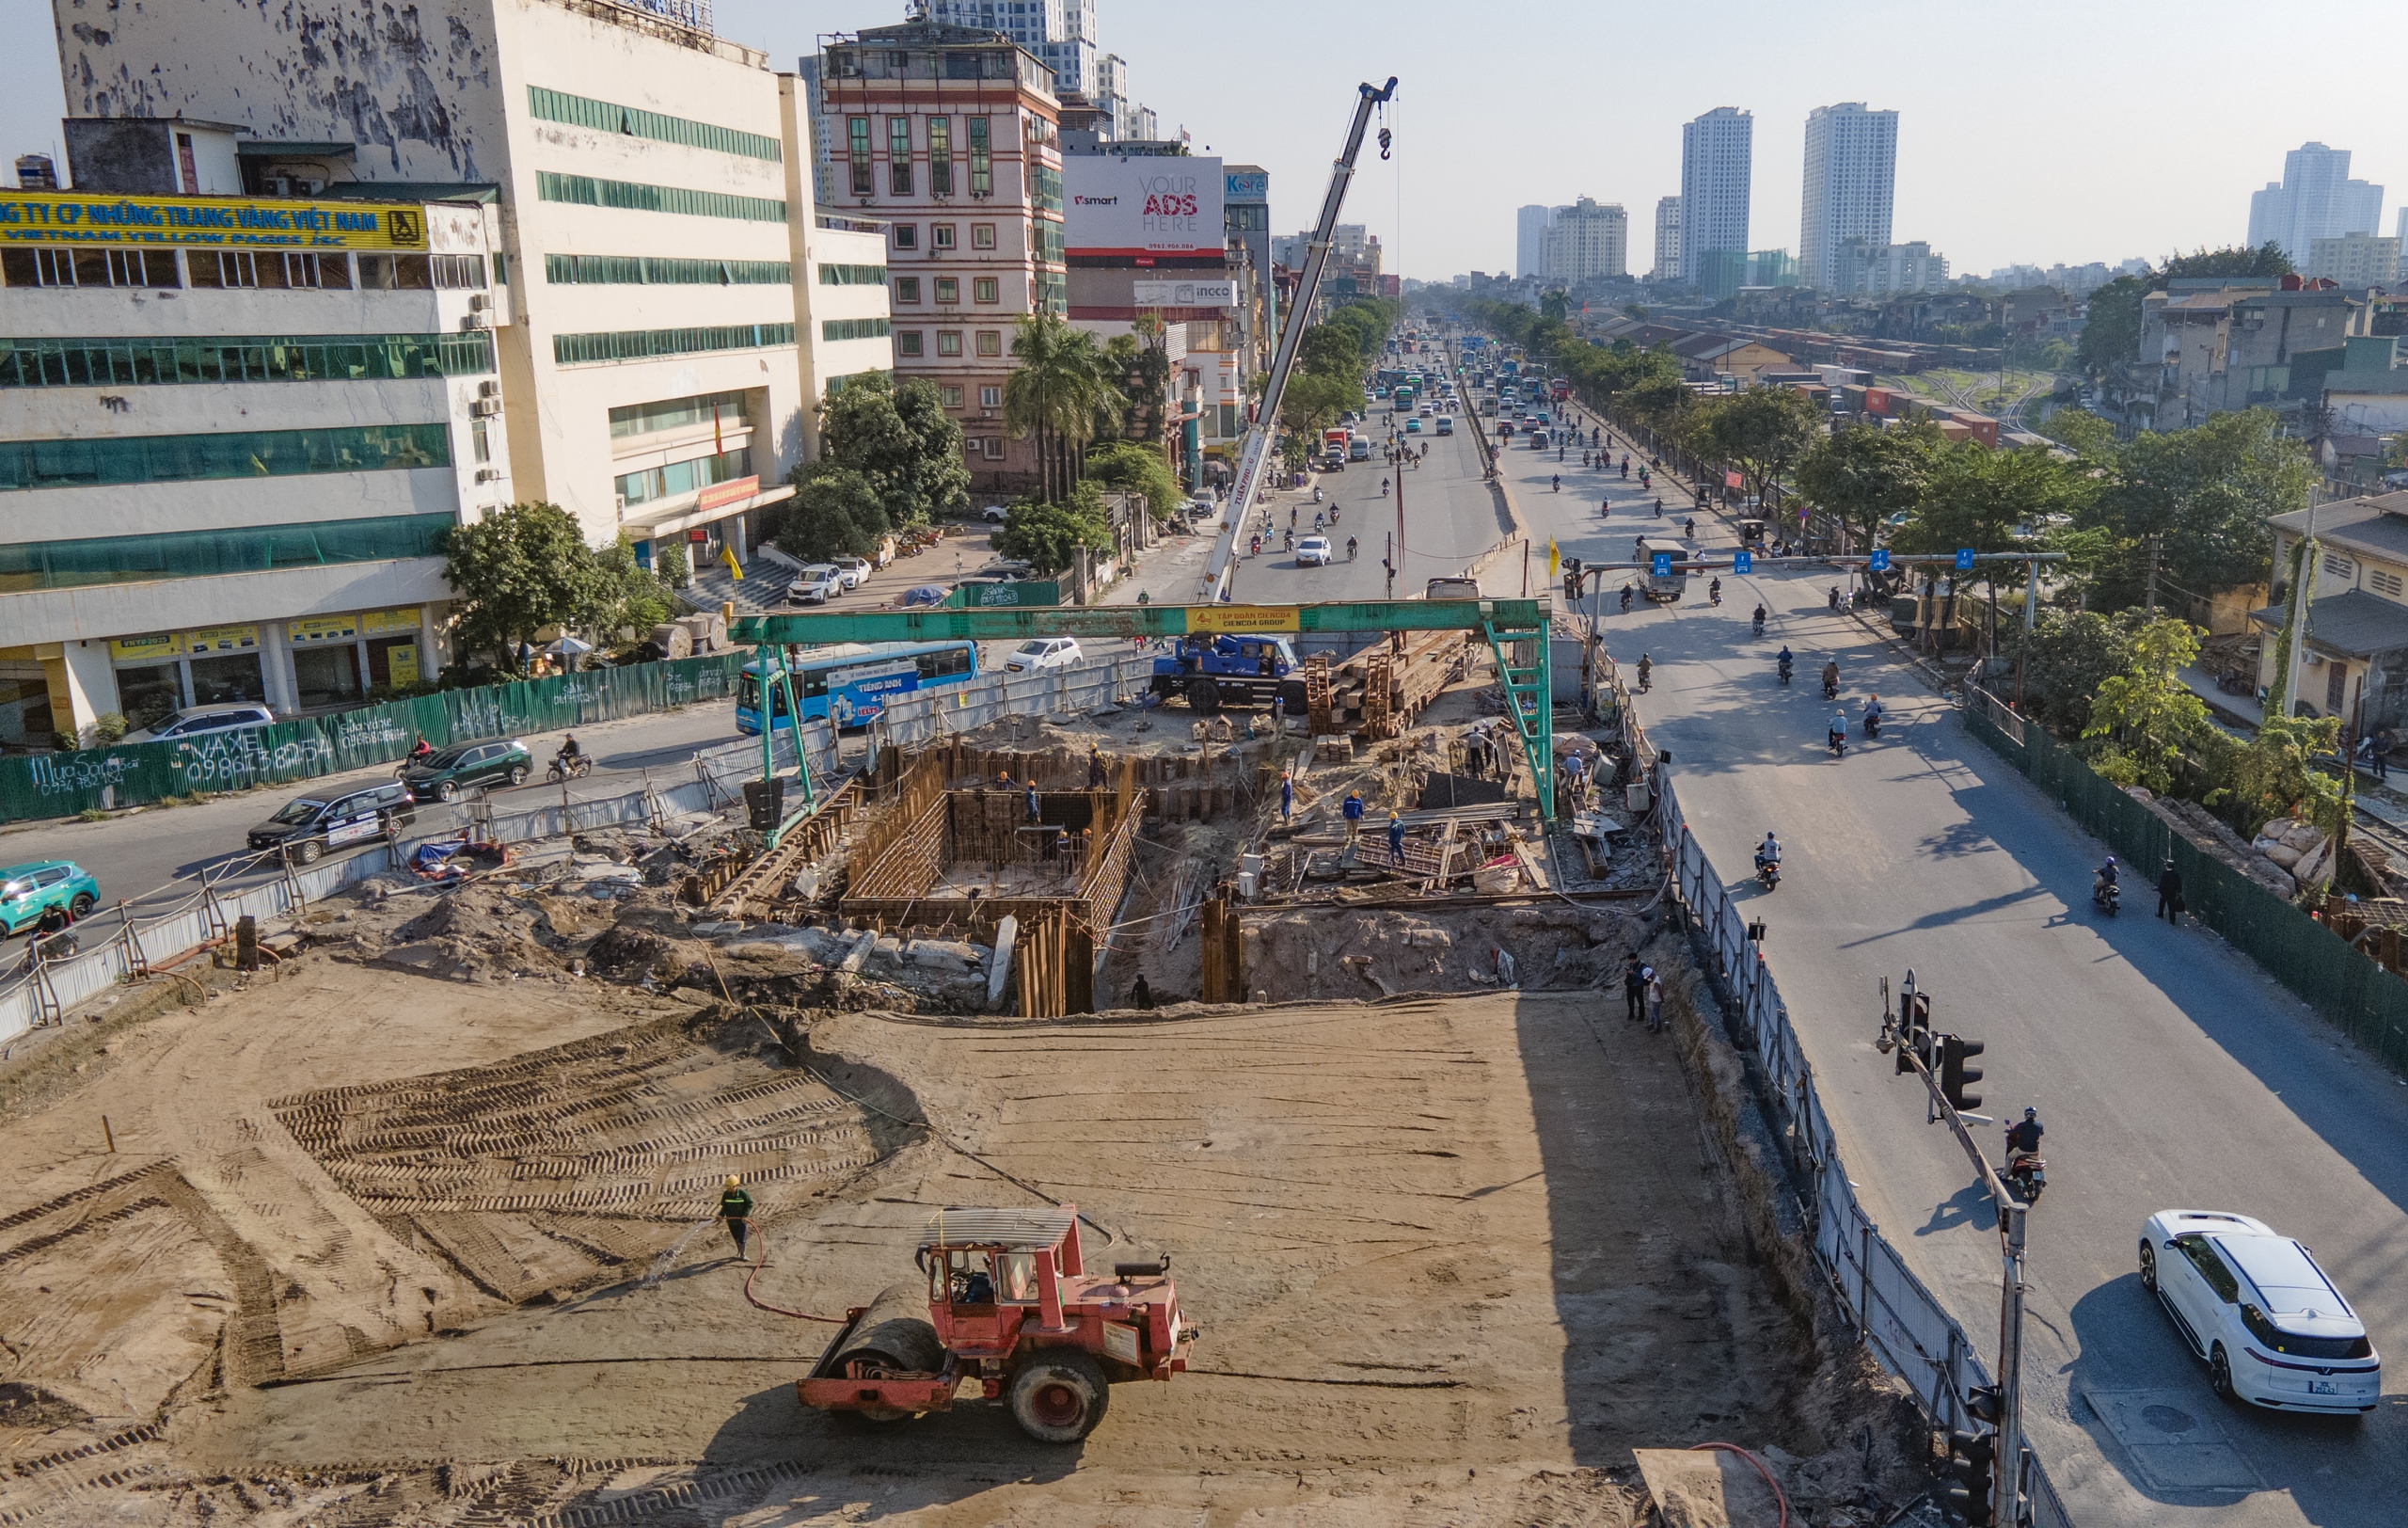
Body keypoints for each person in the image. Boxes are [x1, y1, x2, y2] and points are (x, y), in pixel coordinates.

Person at [718, 1174, 753, 1260]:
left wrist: (745, 1215)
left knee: (742, 1238)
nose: (727, 1189)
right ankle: (739, 1251)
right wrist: (720, 1215)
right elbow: (723, 1207)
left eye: (729, 1187)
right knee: (736, 1237)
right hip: (731, 1221)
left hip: (741, 1220)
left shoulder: (743, 1194)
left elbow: (750, 1204)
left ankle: (743, 1254)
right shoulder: (726, 1194)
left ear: (734, 1186)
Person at [2157, 860, 2184, 925]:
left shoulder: (2164, 874)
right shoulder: (2176, 874)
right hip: (2172, 892)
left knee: (2162, 903)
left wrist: (2160, 890)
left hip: (2164, 892)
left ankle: (2160, 914)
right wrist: (2179, 891)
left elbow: (2162, 883)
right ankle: (2172, 920)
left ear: (2167, 866)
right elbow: (2179, 884)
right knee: (2171, 906)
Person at [1624, 953, 1647, 1023]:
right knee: (1630, 1000)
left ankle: (1641, 1015)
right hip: (1631, 985)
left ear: (1636, 959)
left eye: (1632, 961)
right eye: (1630, 960)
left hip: (1638, 985)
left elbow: (1643, 976)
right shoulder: (1631, 964)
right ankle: (1631, 1013)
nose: (1631, 962)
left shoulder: (1642, 966)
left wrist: (1634, 973)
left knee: (1640, 1001)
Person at [1644, 966, 1666, 1033]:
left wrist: (1662, 1000)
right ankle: (1651, 1024)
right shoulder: (1653, 979)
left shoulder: (1656, 982)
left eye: (1648, 977)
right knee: (1652, 1012)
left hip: (1655, 1001)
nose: (1647, 979)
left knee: (1655, 1015)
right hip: (1653, 999)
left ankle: (1657, 1028)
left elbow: (1660, 992)